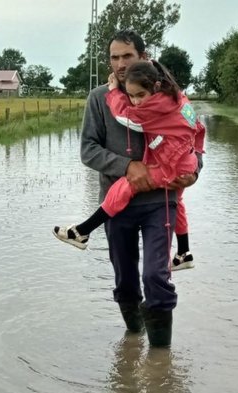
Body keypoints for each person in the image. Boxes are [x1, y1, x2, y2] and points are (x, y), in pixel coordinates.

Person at [63, 30, 202, 347]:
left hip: (160, 201)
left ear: (144, 57)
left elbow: (192, 137)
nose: (121, 64)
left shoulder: (172, 97)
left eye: (127, 56)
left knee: (156, 275)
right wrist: (127, 166)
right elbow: (88, 150)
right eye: (114, 58)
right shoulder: (99, 98)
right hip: (117, 205)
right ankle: (133, 341)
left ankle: (160, 358)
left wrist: (194, 172)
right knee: (125, 281)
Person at [53, 60, 205, 273]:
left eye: (140, 95)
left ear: (156, 86)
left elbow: (125, 117)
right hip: (183, 162)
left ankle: (83, 231)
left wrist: (114, 91)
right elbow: (199, 129)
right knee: (178, 202)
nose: (135, 102)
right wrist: (194, 164)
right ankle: (184, 252)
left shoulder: (156, 107)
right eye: (131, 96)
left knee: (126, 185)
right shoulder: (178, 98)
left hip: (172, 166)